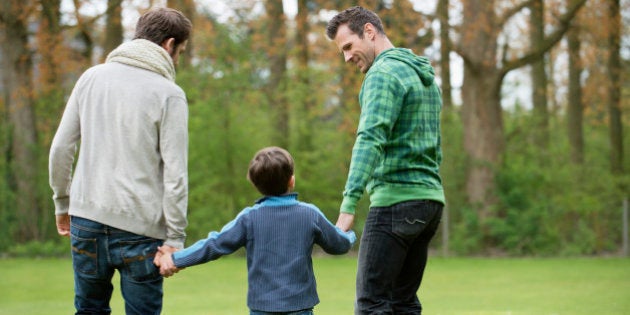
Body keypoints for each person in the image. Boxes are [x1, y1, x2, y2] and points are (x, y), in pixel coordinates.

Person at [48, 7, 192, 315]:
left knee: (88, 310)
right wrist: (175, 238)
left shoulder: (91, 78)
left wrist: (63, 203)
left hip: (85, 220)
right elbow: (175, 175)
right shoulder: (170, 94)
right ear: (169, 44)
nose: (177, 60)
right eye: (180, 52)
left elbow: (61, 148)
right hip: (141, 229)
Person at [326, 6, 445, 314]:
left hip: (396, 204)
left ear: (369, 31)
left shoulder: (382, 73)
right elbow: (436, 145)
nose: (347, 57)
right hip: (429, 203)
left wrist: (348, 205)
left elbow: (370, 138)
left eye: (349, 46)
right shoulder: (425, 77)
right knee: (403, 303)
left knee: (371, 304)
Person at [156, 146, 356, 315]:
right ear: (291, 180)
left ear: (255, 184)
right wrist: (349, 235)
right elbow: (338, 245)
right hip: (300, 307)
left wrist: (176, 259)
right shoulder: (309, 214)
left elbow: (215, 244)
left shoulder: (249, 218)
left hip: (262, 308)